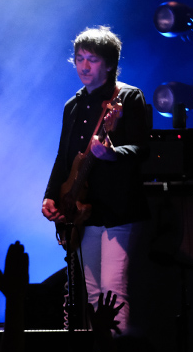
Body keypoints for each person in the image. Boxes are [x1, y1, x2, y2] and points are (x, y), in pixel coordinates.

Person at [42, 26, 150, 334]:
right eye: (79, 59)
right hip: (82, 211)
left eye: (92, 59)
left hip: (119, 210)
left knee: (114, 293)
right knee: (91, 295)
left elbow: (142, 148)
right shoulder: (72, 106)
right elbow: (63, 158)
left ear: (110, 64)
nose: (84, 66)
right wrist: (50, 196)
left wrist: (113, 154)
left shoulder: (128, 97)